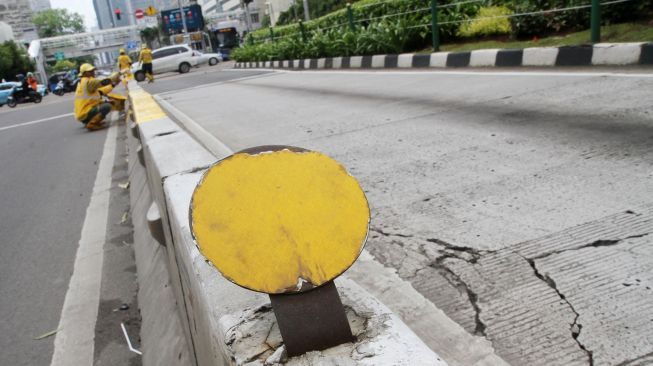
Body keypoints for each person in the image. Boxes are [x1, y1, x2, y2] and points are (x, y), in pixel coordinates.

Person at [74, 63, 121, 131]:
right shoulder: (89, 81)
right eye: (90, 71)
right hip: (85, 112)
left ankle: (90, 121)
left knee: (106, 104)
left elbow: (100, 92)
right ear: (84, 73)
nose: (93, 72)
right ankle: (92, 124)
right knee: (107, 106)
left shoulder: (83, 82)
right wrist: (117, 75)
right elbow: (104, 81)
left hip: (82, 113)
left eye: (92, 70)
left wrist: (113, 85)